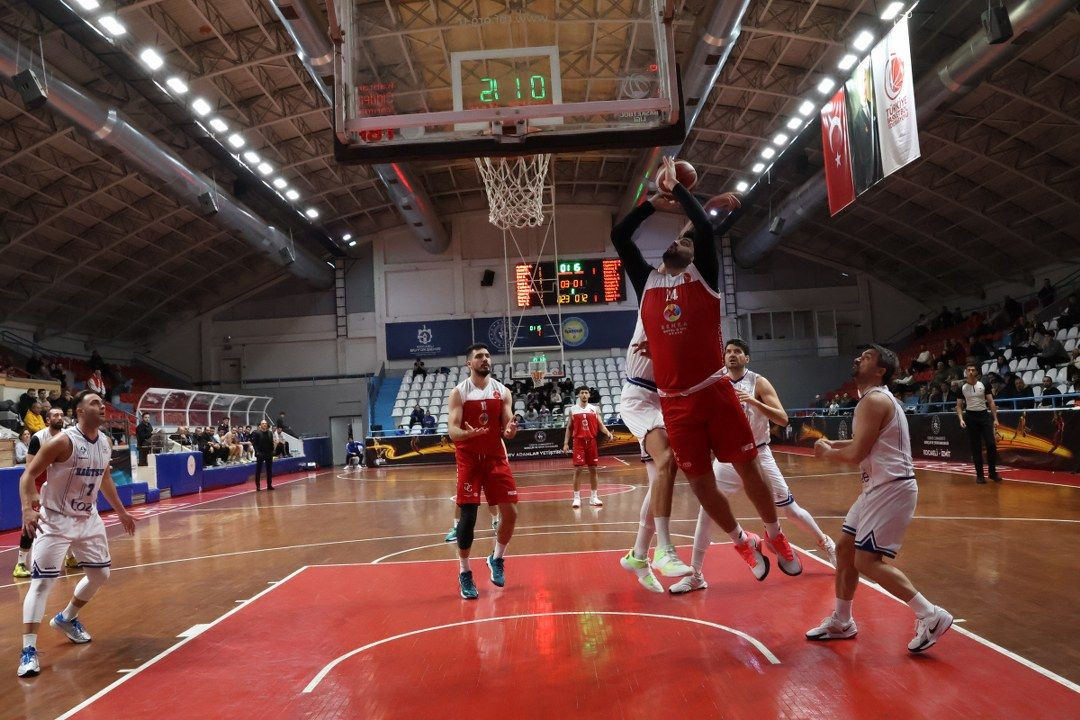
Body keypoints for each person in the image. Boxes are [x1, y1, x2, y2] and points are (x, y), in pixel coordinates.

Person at [611, 155, 799, 581]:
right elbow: (620, 236)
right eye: (674, 242)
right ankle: (740, 542)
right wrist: (652, 202)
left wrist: (679, 187)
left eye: (685, 241)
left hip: (713, 391)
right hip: (674, 402)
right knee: (698, 482)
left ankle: (774, 533)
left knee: (747, 467)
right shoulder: (649, 283)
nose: (675, 243)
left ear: (694, 253)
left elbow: (705, 228)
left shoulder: (705, 278)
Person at [809, 345, 952, 654]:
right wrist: (836, 442)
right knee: (846, 550)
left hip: (891, 487)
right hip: (877, 487)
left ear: (880, 371)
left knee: (866, 561)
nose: (859, 357)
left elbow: (857, 453)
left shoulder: (873, 400)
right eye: (860, 354)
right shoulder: (874, 400)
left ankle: (930, 615)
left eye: (869, 356)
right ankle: (842, 621)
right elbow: (866, 441)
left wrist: (829, 453)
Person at [674, 340, 838, 594]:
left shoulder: (758, 382)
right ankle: (695, 574)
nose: (731, 356)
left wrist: (753, 401)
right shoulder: (716, 385)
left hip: (759, 454)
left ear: (747, 358)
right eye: (728, 352)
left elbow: (782, 419)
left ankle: (826, 545)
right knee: (706, 511)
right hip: (728, 458)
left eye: (737, 352)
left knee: (790, 510)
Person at [16, 390, 137, 678]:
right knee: (42, 583)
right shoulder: (63, 441)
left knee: (100, 575)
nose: (102, 407)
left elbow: (104, 477)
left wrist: (120, 510)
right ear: (80, 411)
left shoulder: (105, 442)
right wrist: (27, 509)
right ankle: (28, 650)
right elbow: (28, 475)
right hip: (55, 518)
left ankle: (66, 618)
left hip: (88, 517)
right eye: (94, 403)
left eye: (101, 402)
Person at [446, 343, 519, 600]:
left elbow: (507, 424)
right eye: (479, 356)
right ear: (469, 363)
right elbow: (452, 429)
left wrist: (510, 431)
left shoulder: (502, 391)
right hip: (469, 460)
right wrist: (464, 434)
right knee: (468, 517)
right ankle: (464, 571)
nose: (485, 359)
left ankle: (496, 558)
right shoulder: (459, 392)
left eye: (487, 356)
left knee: (511, 512)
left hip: (495, 457)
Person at [13, 409, 66, 579]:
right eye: (55, 415)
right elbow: (29, 469)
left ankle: (71, 557)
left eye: (61, 415)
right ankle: (20, 563)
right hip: (37, 484)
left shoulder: (68, 436)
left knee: (68, 519)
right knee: (31, 522)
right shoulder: (38, 438)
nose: (59, 417)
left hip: (58, 485)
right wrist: (32, 493)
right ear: (47, 419)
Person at [562, 387, 614, 508]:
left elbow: (600, 424)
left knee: (593, 469)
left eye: (586, 393)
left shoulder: (594, 409)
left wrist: (608, 433)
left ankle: (594, 497)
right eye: (582, 393)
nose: (584, 395)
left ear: (589, 395)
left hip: (591, 441)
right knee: (578, 469)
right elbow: (569, 427)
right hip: (578, 441)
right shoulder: (573, 410)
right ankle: (576, 498)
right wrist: (565, 443)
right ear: (578, 395)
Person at [956, 364, 1002, 484]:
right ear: (966, 372)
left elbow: (991, 402)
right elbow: (959, 406)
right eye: (968, 370)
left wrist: (995, 418)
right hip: (971, 417)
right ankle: (980, 475)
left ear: (976, 372)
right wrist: (961, 419)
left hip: (984, 416)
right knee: (976, 447)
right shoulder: (962, 387)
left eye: (973, 370)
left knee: (991, 444)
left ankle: (992, 472)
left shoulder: (984, 384)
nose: (971, 372)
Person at [251, 420, 275, 491]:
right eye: (263, 423)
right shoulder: (257, 433)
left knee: (269, 470)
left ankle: (269, 485)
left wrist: (272, 451)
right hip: (260, 454)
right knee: (258, 470)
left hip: (269, 453)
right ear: (260, 425)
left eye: (265, 423)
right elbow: (254, 444)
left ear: (267, 425)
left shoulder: (270, 433)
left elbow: (271, 443)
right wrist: (257, 452)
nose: (264, 425)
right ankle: (258, 486)